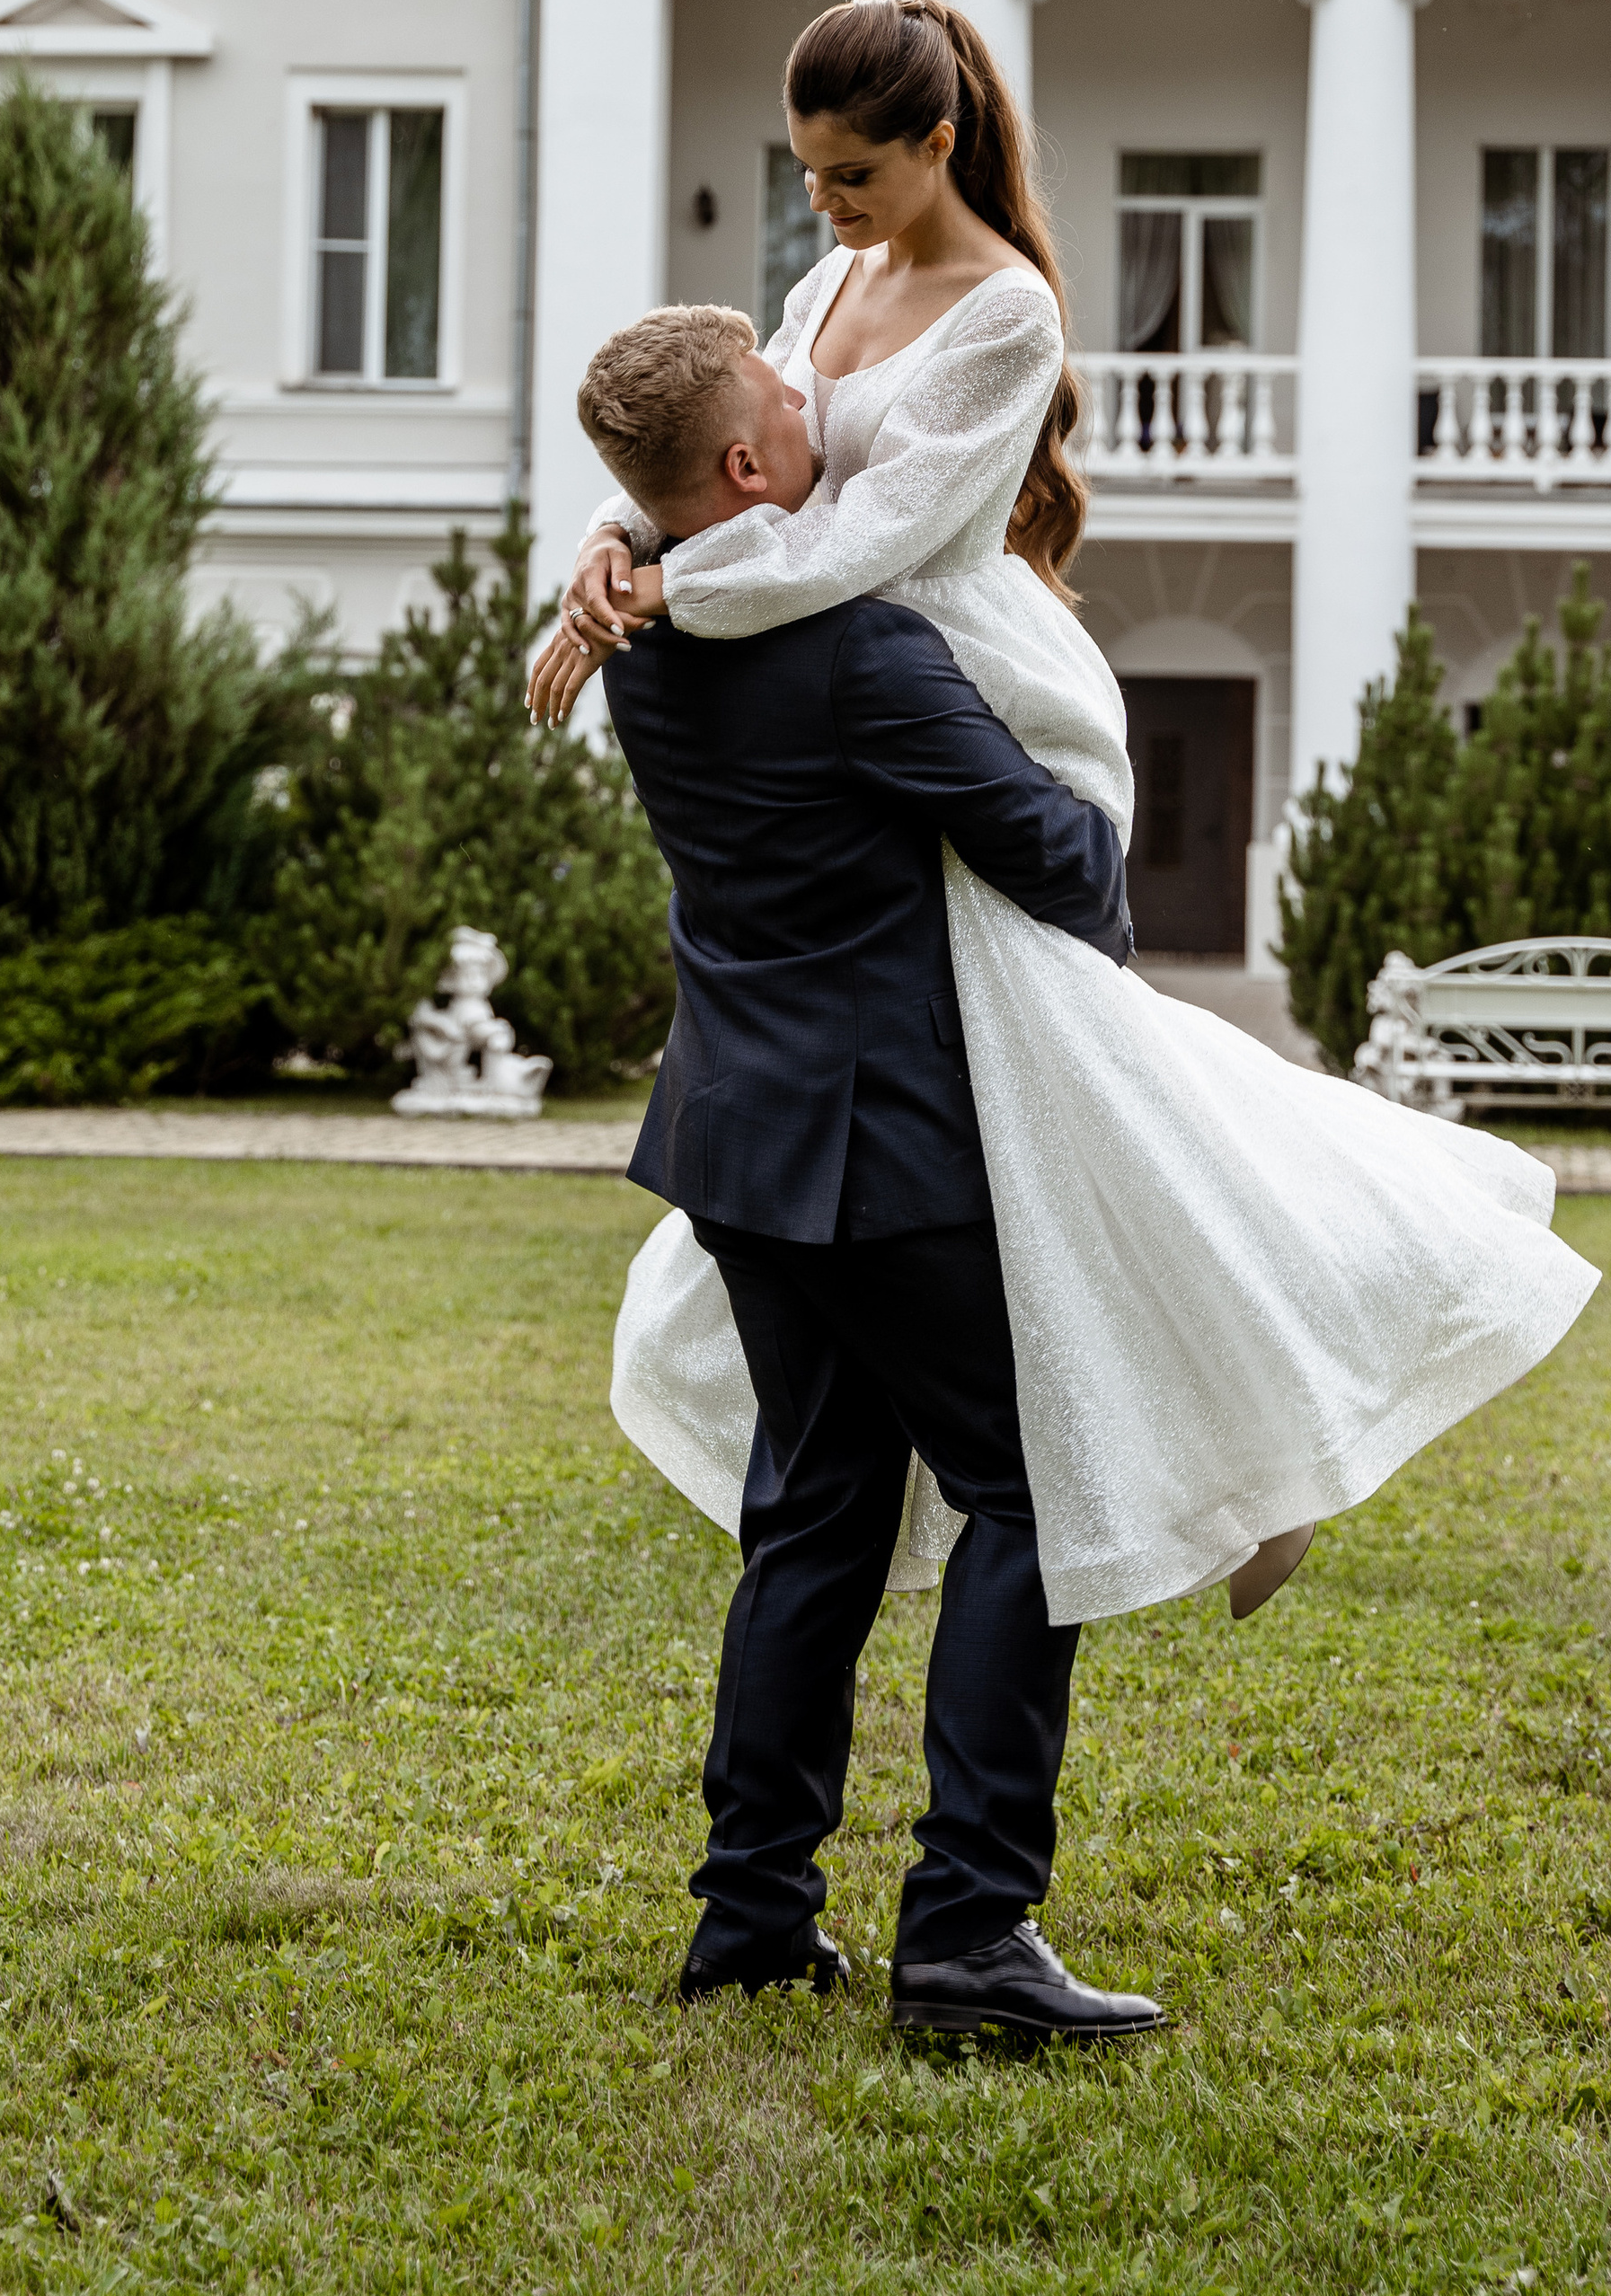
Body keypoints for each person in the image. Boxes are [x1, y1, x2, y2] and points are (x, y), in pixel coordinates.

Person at [531, 0, 1599, 1637]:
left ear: (939, 142)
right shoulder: (831, 277)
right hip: (848, 692)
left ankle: (1256, 1436)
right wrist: (615, 545)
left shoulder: (1008, 313)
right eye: (805, 173)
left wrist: (669, 589)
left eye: (851, 174)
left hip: (964, 701)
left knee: (1077, 1106)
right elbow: (726, 441)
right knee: (1073, 1130)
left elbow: (840, 541)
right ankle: (1245, 1453)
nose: (821, 207)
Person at [583, 301, 1167, 2041]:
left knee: (814, 1516)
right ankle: (969, 1935)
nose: (818, 386)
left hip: (735, 1141)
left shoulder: (643, 629)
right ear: (749, 464)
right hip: (895, 1152)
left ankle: (749, 1918)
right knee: (1027, 1496)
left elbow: (661, 527)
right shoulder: (860, 654)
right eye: (787, 386)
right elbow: (1064, 867)